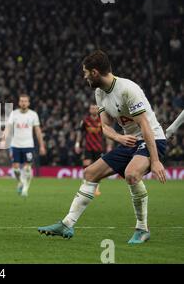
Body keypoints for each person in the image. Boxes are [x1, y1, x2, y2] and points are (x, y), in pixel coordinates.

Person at [38, 50, 167, 244]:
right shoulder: (99, 92)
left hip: (152, 140)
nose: (84, 77)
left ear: (95, 72)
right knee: (90, 173)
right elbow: (104, 126)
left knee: (132, 174)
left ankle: (142, 229)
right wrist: (119, 137)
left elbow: (145, 126)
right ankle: (67, 224)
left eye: (86, 73)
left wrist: (155, 161)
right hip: (129, 141)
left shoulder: (127, 89)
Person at [1, 94, 46, 197]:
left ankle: (25, 188)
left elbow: (38, 131)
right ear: (19, 102)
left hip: (28, 145)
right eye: (21, 101)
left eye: (25, 101)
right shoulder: (14, 114)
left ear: (28, 103)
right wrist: (3, 139)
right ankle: (20, 182)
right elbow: (8, 127)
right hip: (15, 145)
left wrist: (42, 146)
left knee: (27, 168)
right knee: (16, 169)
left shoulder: (33, 115)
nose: (23, 103)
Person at [75, 104, 112, 196]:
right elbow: (80, 132)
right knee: (86, 165)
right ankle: (84, 184)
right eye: (92, 108)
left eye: (95, 108)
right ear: (89, 110)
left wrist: (109, 145)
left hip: (99, 148)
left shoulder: (101, 121)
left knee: (98, 168)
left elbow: (107, 133)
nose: (94, 110)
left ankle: (96, 187)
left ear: (98, 110)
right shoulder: (85, 120)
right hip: (88, 147)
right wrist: (77, 144)